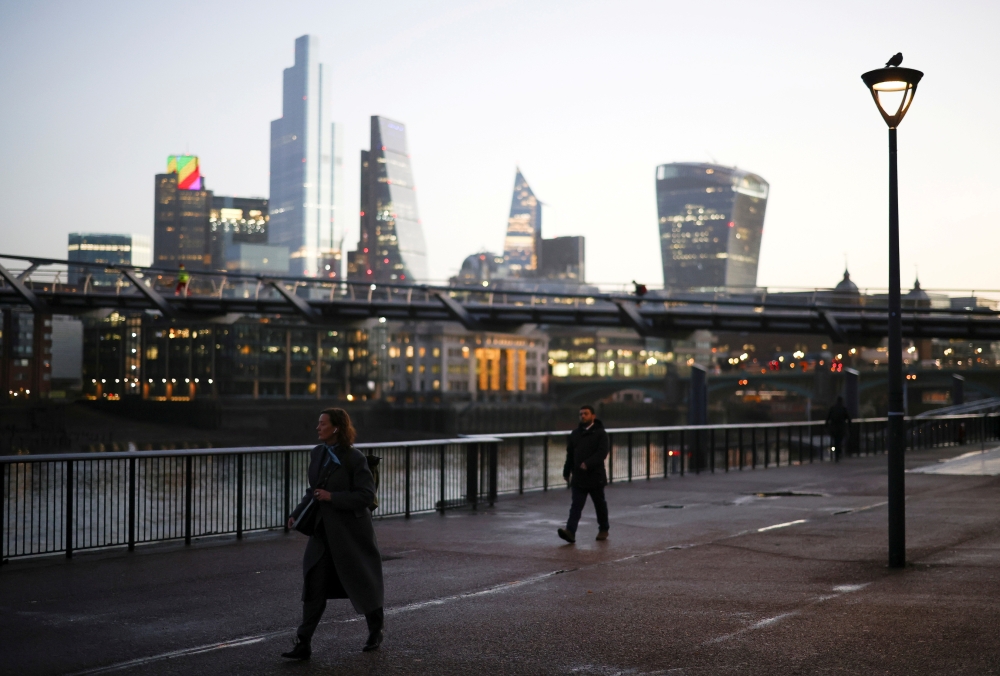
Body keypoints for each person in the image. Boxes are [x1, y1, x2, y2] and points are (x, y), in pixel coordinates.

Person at [281, 408, 385, 660]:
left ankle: (375, 631)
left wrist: (332, 497)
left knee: (363, 582)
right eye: (318, 423)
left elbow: (366, 496)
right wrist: (296, 513)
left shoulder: (354, 458)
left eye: (322, 424)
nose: (317, 428)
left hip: (351, 533)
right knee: (314, 584)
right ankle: (303, 643)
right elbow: (313, 490)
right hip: (323, 531)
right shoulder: (317, 454)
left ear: (336, 427)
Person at [558, 405, 611, 543]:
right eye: (581, 414)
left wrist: (588, 463)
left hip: (595, 476)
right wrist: (566, 471)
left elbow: (602, 453)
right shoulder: (575, 434)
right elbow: (570, 454)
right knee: (576, 506)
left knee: (600, 505)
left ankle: (603, 529)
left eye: (586, 414)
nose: (583, 416)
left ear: (593, 416)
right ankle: (570, 532)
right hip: (579, 476)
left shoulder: (601, 434)